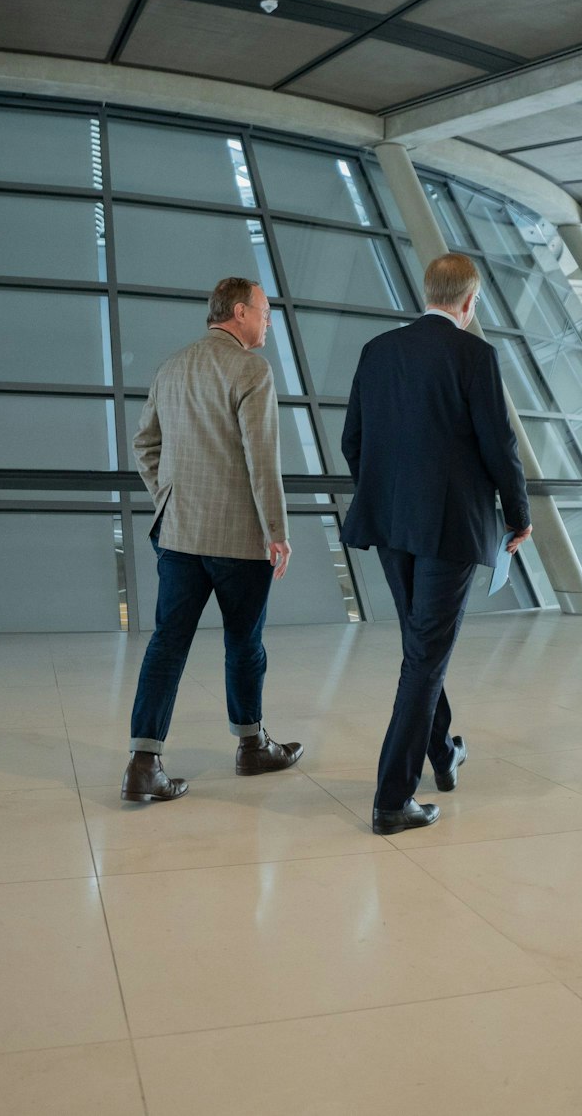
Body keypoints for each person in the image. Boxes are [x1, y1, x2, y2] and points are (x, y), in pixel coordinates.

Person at [342, 254, 530, 835]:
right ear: (470, 304)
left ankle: (443, 755)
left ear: (427, 292)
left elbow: (354, 441)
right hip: (450, 528)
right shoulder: (475, 355)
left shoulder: (378, 351)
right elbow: (499, 444)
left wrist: (387, 494)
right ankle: (392, 800)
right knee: (425, 655)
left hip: (392, 524)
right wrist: (518, 514)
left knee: (420, 647)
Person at [122, 277, 302, 803]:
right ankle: (251, 747)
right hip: (238, 540)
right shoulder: (251, 369)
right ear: (240, 312)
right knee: (244, 644)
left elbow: (144, 442)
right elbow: (261, 458)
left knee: (167, 644)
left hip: (177, 533)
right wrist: (278, 532)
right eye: (265, 311)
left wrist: (167, 496)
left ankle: (143, 763)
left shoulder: (172, 366)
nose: (269, 320)